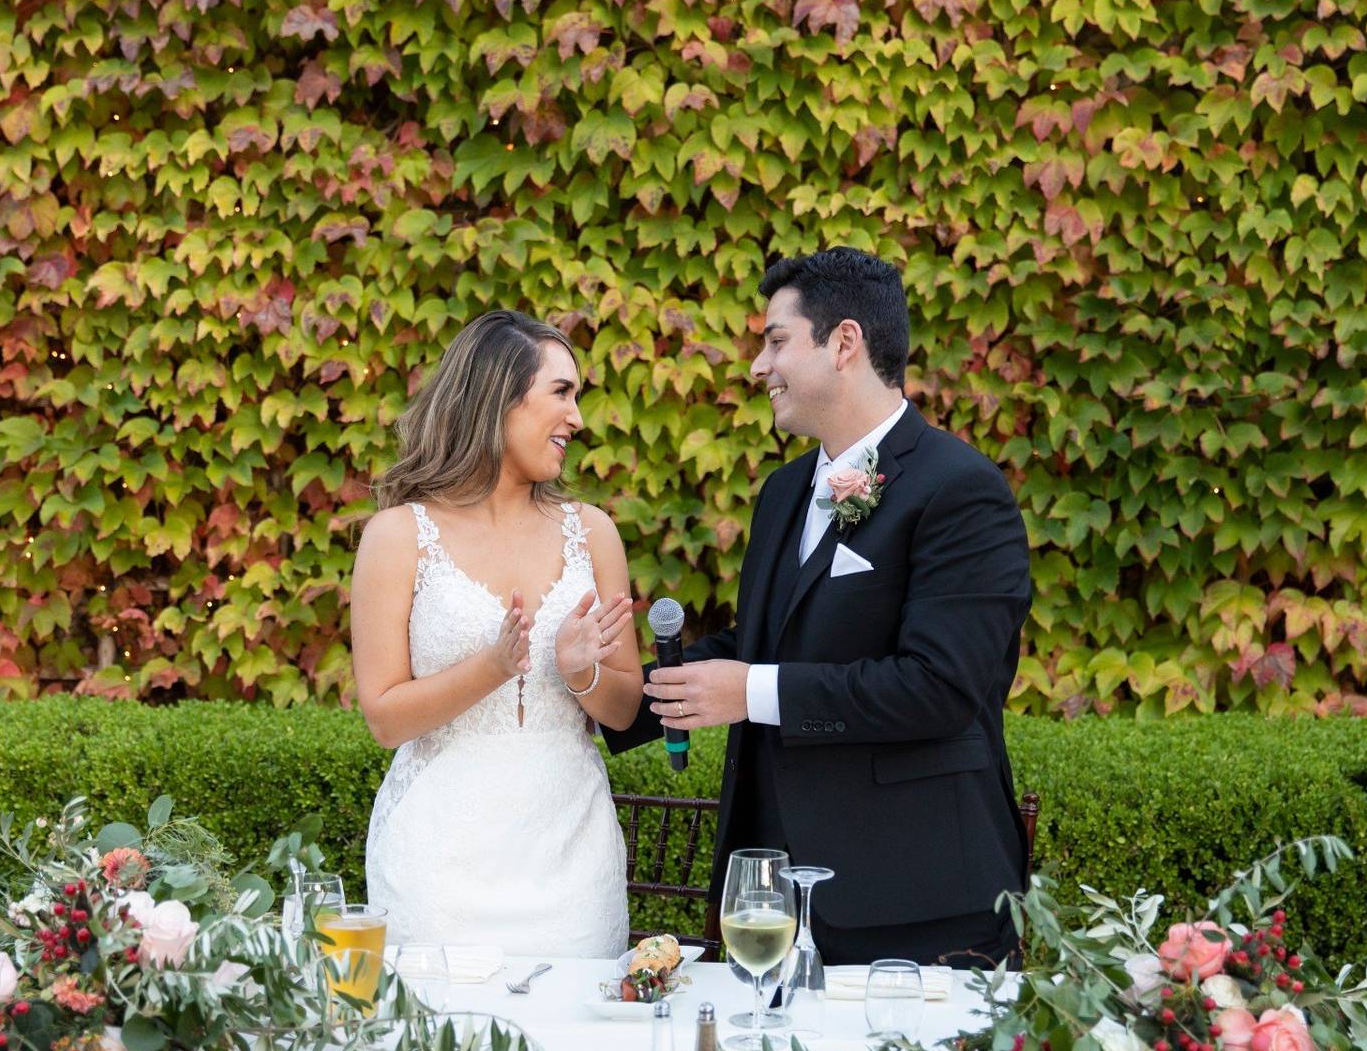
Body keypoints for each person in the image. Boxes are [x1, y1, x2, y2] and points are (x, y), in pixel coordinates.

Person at [605, 249, 1034, 968]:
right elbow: (764, 643)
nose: (757, 367)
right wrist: (611, 694)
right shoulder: (784, 491)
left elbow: (939, 687)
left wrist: (750, 691)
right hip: (771, 896)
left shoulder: (962, 490)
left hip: (917, 903)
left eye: (776, 342)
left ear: (844, 343)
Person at [350, 310, 640, 956]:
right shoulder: (397, 538)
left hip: (573, 866)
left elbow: (624, 711)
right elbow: (384, 718)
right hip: (438, 876)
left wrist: (580, 672)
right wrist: (493, 664)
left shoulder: (594, 533)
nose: (578, 419)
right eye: (561, 393)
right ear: (497, 396)